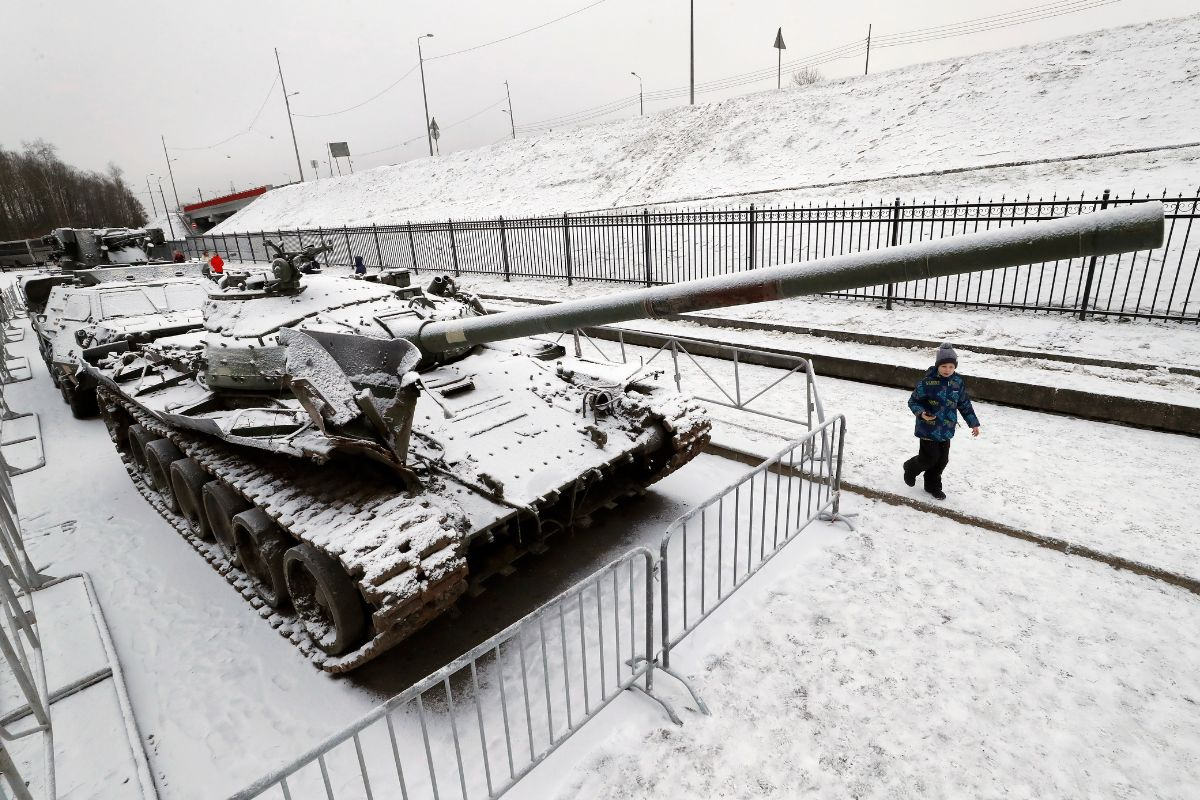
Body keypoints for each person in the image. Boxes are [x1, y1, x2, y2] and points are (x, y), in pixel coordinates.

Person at [902, 343, 980, 501]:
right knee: (929, 458)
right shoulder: (928, 382)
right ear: (938, 365)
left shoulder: (957, 382)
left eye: (951, 366)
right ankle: (910, 467)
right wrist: (922, 414)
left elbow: (964, 403)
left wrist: (973, 422)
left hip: (947, 428)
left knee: (942, 460)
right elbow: (913, 401)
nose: (947, 369)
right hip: (928, 428)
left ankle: (932, 486)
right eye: (944, 366)